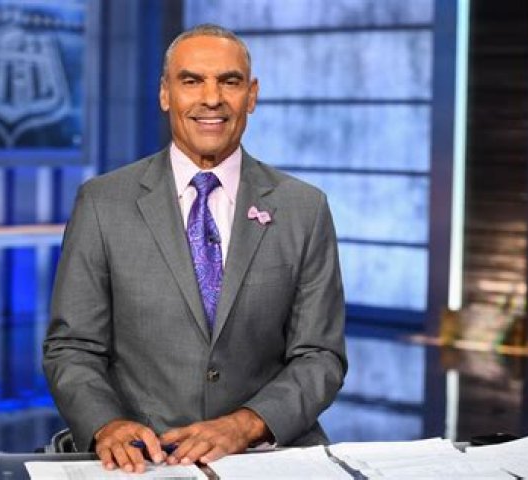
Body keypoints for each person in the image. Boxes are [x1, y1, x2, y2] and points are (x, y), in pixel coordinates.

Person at [43, 24, 347, 474]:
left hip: (264, 455)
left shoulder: (304, 207)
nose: (211, 98)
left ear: (251, 95)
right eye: (191, 81)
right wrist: (107, 425)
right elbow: (73, 346)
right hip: (144, 458)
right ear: (165, 94)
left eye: (229, 81)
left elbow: (320, 355)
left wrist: (246, 424)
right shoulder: (103, 202)